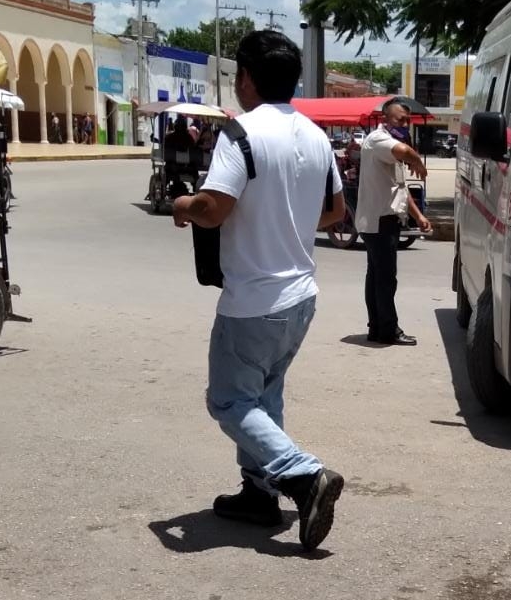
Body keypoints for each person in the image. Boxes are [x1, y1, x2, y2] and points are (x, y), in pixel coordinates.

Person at [172, 30, 348, 552]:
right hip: (300, 297)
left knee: (229, 399)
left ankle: (303, 475)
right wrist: (285, 218)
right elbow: (337, 212)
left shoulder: (240, 134)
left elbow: (213, 208)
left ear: (246, 78)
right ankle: (258, 494)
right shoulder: (315, 135)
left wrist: (183, 206)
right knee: (264, 395)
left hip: (253, 300)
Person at [355, 99, 430, 346]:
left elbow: (399, 187)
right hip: (379, 220)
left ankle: (377, 327)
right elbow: (406, 152)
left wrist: (418, 216)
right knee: (386, 278)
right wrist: (417, 160)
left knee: (377, 276)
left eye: (407, 121)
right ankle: (388, 330)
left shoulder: (388, 146)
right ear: (385, 119)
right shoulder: (379, 140)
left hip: (384, 219)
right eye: (400, 120)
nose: (404, 124)